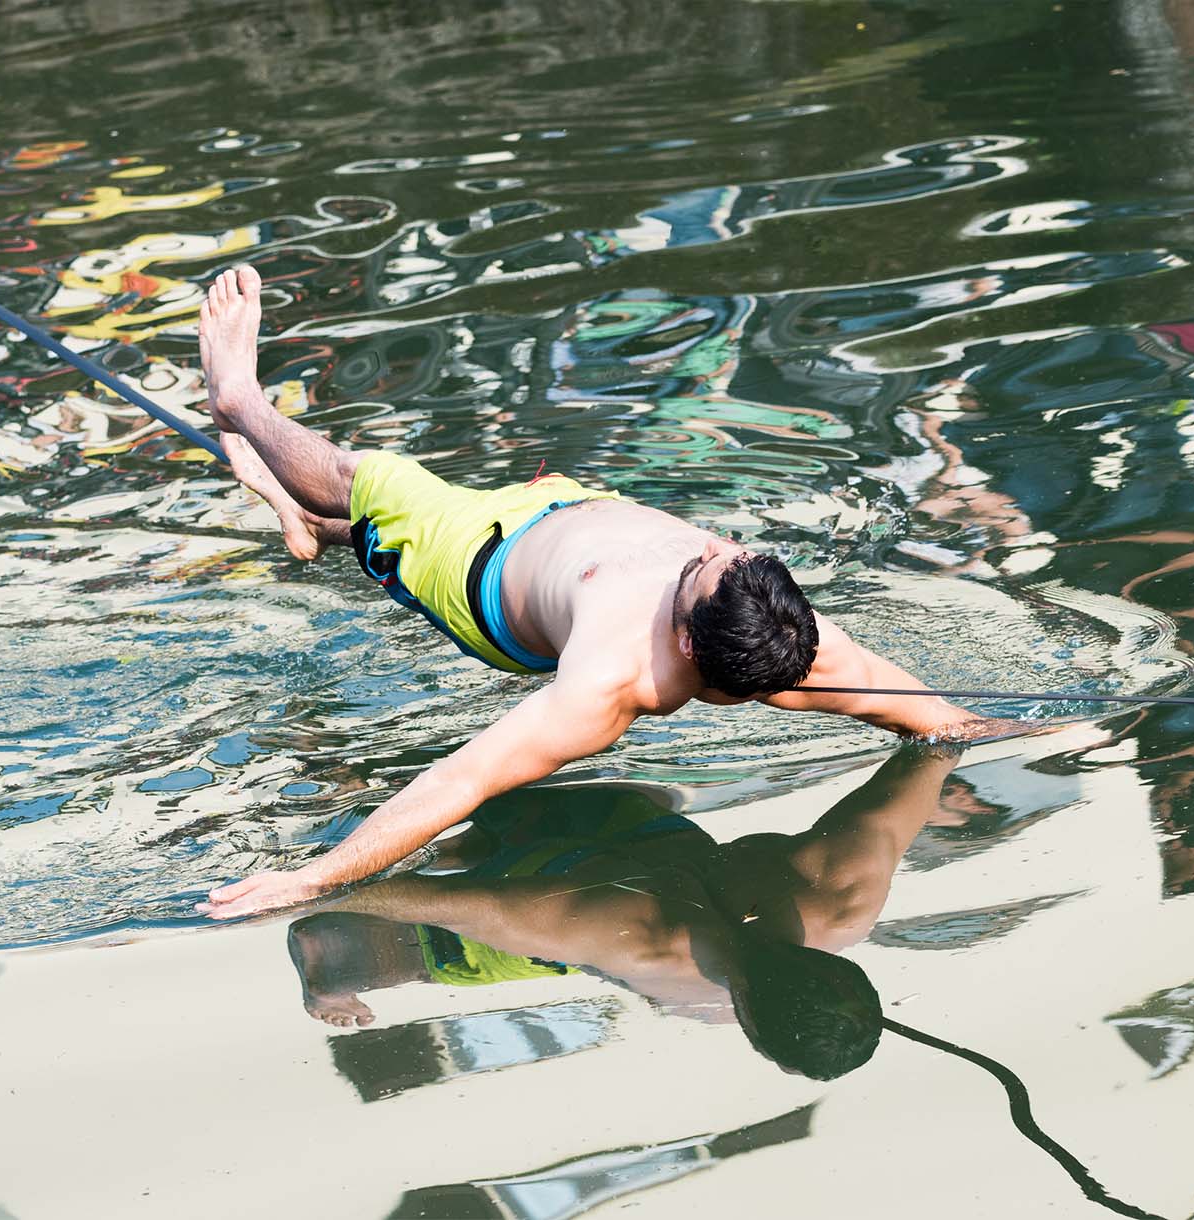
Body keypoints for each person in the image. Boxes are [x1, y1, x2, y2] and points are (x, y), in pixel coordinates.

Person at [196, 265, 1006, 918]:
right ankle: (305, 518)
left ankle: (241, 402)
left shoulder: (610, 683)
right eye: (724, 553)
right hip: (556, 506)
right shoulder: (783, 620)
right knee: (354, 524)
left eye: (702, 568)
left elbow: (460, 781)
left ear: (690, 645)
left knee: (374, 481)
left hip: (481, 571)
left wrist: (317, 880)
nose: (712, 546)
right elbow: (944, 716)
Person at [285, 746, 969, 1080]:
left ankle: (474, 815)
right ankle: (336, 963)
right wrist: (301, 889)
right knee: (440, 950)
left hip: (633, 823)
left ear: (845, 975)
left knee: (507, 792)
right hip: (561, 883)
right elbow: (449, 904)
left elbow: (939, 741)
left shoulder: (845, 895)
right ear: (750, 1019)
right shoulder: (638, 942)